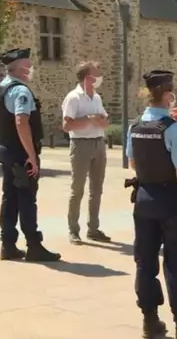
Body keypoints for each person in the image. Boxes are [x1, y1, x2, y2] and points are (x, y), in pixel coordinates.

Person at [126, 70, 177, 339]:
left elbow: (133, 164)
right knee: (175, 266)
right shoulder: (174, 130)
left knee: (145, 262)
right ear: (167, 95)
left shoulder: (135, 126)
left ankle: (150, 322)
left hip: (144, 200)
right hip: (171, 202)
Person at [0, 48, 61, 262]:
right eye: (28, 65)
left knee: (9, 197)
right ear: (19, 68)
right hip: (21, 153)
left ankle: (8, 245)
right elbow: (21, 121)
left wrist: (2, 128)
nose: (30, 69)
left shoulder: (0, 88)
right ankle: (34, 246)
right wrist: (31, 155)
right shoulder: (21, 91)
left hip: (4, 149)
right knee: (27, 198)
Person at [61, 61, 111, 245]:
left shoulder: (96, 98)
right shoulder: (73, 98)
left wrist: (99, 121)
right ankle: (73, 230)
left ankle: (93, 228)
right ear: (88, 78)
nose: (100, 77)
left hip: (98, 144)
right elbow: (66, 125)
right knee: (78, 189)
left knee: (96, 189)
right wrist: (90, 120)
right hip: (80, 144)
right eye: (97, 73)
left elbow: (105, 122)